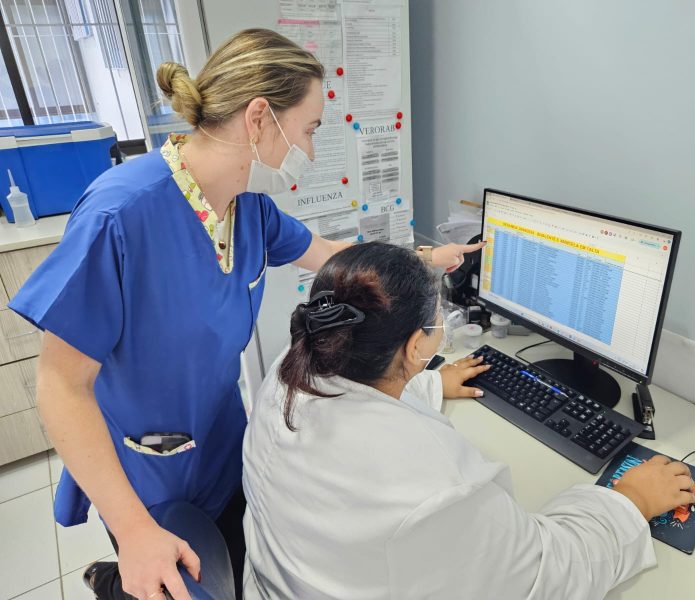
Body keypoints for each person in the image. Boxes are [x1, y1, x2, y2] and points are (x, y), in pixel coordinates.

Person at [9, 29, 480, 600]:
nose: (307, 151)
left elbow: (334, 256)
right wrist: (133, 533)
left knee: (238, 558)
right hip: (146, 465)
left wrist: (425, 258)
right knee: (175, 577)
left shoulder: (248, 209)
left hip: (223, 435)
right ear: (259, 117)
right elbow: (60, 386)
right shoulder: (121, 215)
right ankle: (115, 575)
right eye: (306, 130)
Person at [242, 241, 695, 600]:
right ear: (416, 346)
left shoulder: (292, 367)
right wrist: (630, 502)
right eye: (438, 315)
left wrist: (431, 384)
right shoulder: (437, 491)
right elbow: (543, 578)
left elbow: (359, 399)